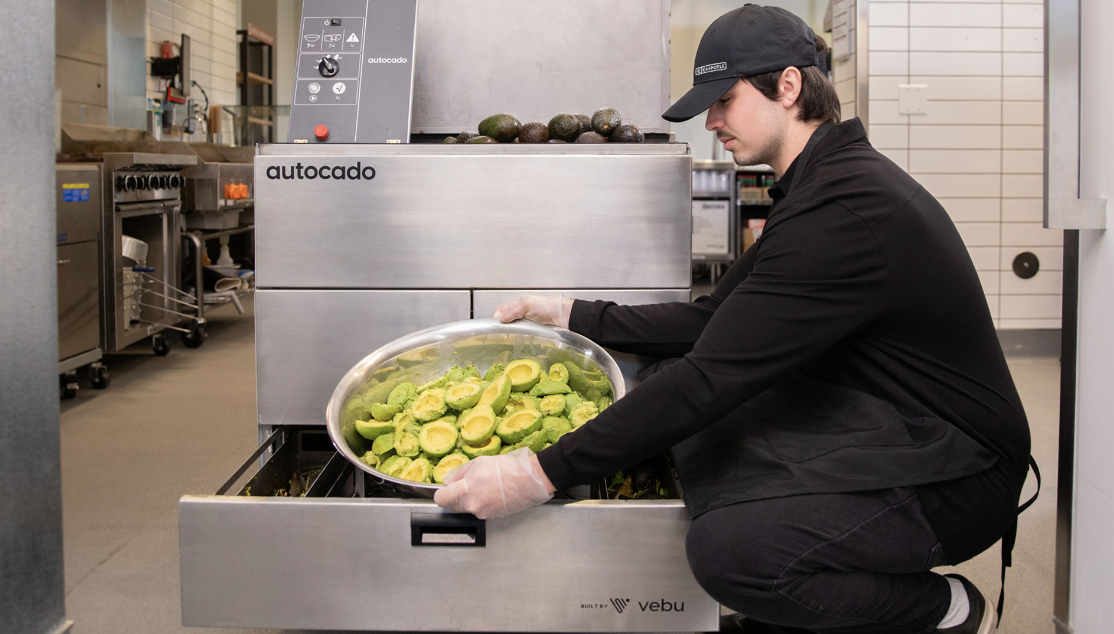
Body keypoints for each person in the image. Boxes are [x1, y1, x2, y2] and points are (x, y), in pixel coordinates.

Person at [435, 5, 1033, 634]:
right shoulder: (819, 185)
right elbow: (713, 322)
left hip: (959, 472)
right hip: (882, 414)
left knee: (734, 553)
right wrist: (574, 314)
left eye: (724, 99)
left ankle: (944, 609)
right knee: (695, 423)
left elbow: (709, 377)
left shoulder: (846, 210)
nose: (712, 121)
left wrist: (539, 471)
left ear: (789, 87)